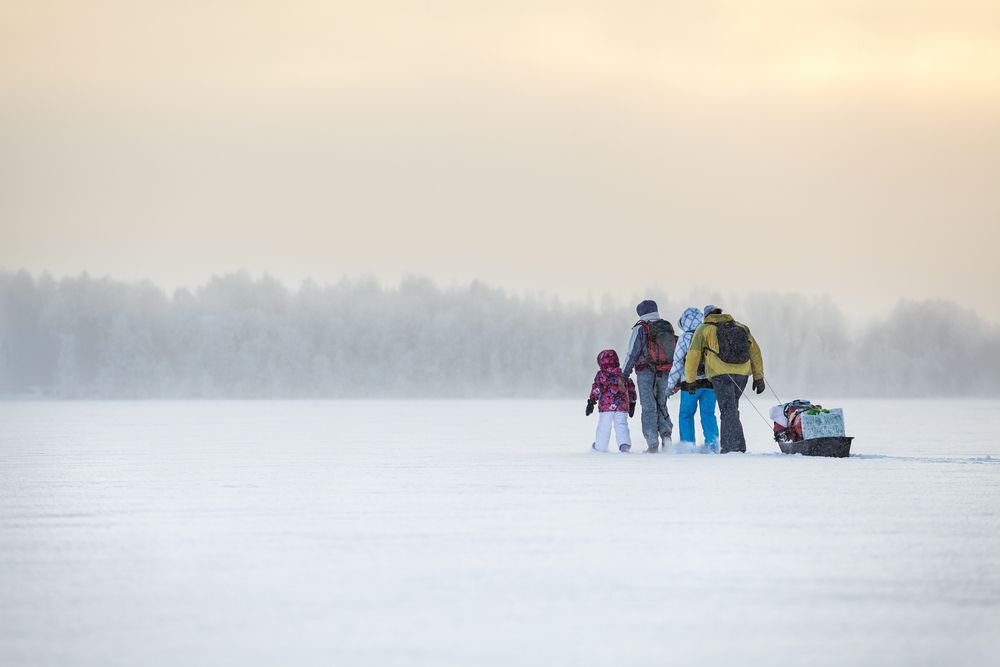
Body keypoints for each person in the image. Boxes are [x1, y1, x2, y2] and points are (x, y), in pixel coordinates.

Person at [683, 305, 764, 454]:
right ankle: (738, 446)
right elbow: (755, 351)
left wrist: (690, 380)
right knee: (732, 408)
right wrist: (759, 377)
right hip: (742, 373)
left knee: (728, 410)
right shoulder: (741, 327)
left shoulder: (704, 329)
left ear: (707, 316)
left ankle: (730, 448)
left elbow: (693, 356)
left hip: (720, 374)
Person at [622, 300, 676, 453]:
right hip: (665, 371)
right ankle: (667, 438)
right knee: (662, 404)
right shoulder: (666, 326)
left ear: (641, 313)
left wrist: (624, 375)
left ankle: (652, 444)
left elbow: (632, 353)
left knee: (648, 407)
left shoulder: (641, 328)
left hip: (645, 373)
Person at [664, 307, 719, 452]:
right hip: (710, 384)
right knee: (708, 415)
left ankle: (688, 446)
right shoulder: (709, 334)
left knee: (686, 415)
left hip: (690, 384)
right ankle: (713, 445)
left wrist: (669, 387)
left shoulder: (684, 338)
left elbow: (677, 364)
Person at [586, 349, 637, 453]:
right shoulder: (623, 373)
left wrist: (591, 402)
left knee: (604, 426)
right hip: (622, 406)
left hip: (606, 407)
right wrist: (632, 403)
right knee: (621, 425)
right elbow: (631, 387)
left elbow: (596, 388)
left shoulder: (601, 375)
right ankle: (624, 446)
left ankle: (600, 447)